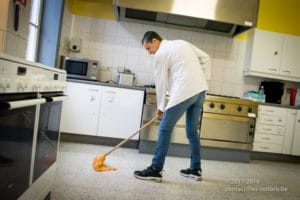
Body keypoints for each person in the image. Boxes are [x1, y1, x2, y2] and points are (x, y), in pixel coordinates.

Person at [134, 31, 210, 182]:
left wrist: (161, 106)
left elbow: (160, 82)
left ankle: (155, 169)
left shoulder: (161, 53)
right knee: (192, 131)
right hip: (200, 90)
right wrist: (203, 80)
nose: (149, 53)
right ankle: (195, 169)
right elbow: (206, 58)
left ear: (155, 41)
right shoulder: (182, 43)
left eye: (148, 48)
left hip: (185, 91)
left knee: (164, 129)